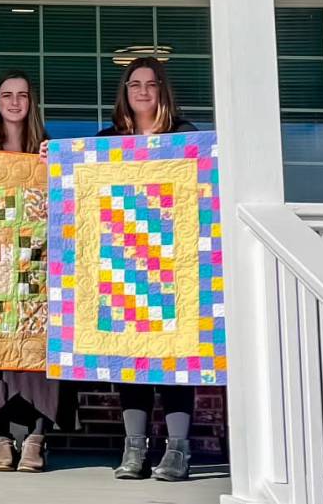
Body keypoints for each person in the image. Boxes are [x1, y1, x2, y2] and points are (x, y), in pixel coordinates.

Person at [0, 71, 70, 473]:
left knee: (39, 356)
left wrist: (57, 164)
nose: (13, 102)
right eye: (6, 95)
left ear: (31, 102)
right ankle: (2, 438)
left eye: (22, 95)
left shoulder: (48, 150)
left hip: (39, 268)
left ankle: (37, 438)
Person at [100, 57, 199, 483]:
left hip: (176, 265)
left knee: (175, 359)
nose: (142, 91)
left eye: (151, 83)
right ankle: (135, 447)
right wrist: (53, 155)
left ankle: (178, 449)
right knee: (133, 359)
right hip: (126, 265)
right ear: (125, 91)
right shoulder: (107, 140)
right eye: (134, 83)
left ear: (163, 90)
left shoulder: (186, 136)